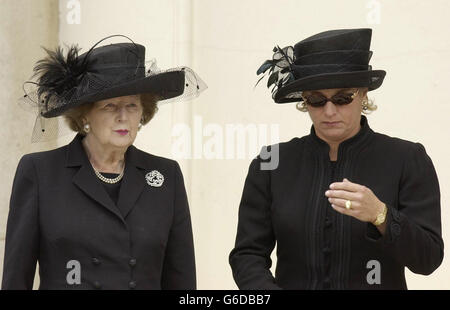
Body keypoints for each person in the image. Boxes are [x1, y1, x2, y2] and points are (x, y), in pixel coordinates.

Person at [229, 28, 443, 289]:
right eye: (317, 100)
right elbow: (247, 255)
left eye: (343, 98)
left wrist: (381, 215)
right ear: (303, 102)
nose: (329, 111)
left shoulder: (407, 158)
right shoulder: (271, 164)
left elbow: (428, 259)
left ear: (363, 95)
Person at [2, 35, 206, 290]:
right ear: (84, 113)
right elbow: (15, 280)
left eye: (132, 105)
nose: (123, 117)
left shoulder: (166, 175)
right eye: (110, 106)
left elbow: (182, 281)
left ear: (144, 112)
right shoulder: (40, 172)